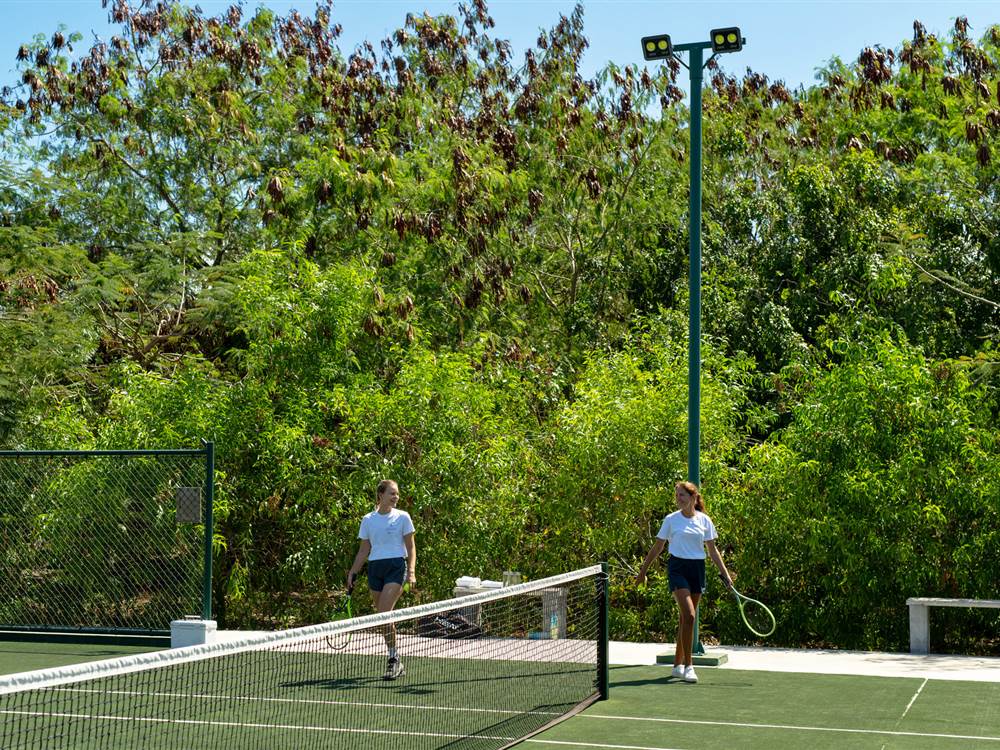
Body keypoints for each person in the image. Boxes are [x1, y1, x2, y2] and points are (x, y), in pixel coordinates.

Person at [635, 481, 733, 684]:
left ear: (693, 498)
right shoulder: (671, 520)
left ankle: (677, 667)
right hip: (677, 568)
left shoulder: (705, 521)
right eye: (677, 495)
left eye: (682, 495)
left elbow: (713, 551)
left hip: (697, 569)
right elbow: (658, 547)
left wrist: (726, 574)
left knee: (685, 620)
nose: (678, 499)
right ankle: (689, 666)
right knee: (689, 615)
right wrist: (642, 571)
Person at [347, 479, 417, 680]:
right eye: (392, 493)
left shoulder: (403, 517)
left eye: (397, 494)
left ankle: (393, 660)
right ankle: (395, 656)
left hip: (396, 566)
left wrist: (411, 572)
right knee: (382, 617)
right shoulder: (368, 520)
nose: (396, 497)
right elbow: (363, 550)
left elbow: (411, 547)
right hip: (375, 568)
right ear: (381, 495)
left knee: (384, 613)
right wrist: (353, 572)